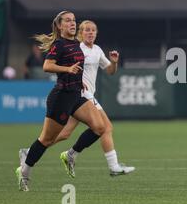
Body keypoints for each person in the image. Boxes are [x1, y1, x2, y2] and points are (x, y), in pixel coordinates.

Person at [20, 20, 135, 176]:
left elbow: (110, 71)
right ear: (81, 32)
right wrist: (77, 80)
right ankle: (113, 166)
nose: (91, 32)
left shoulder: (97, 50)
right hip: (81, 94)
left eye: (93, 30)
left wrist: (114, 63)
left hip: (84, 96)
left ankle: (33, 152)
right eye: (87, 30)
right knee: (105, 127)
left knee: (63, 134)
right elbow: (65, 66)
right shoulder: (76, 48)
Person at [15, 11, 107, 191]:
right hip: (61, 97)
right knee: (46, 140)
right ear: (59, 26)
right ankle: (24, 171)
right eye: (67, 21)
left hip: (77, 95)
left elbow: (76, 67)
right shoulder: (60, 44)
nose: (72, 23)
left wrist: (79, 79)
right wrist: (67, 69)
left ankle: (71, 155)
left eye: (73, 20)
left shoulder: (75, 43)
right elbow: (47, 66)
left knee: (99, 127)